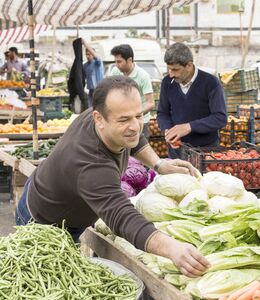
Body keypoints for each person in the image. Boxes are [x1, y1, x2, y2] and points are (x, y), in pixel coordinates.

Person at [15, 76, 210, 278]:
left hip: (57, 202)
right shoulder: (90, 163)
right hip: (44, 222)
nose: (135, 125)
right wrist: (172, 248)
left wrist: (159, 164)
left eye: (138, 115)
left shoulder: (108, 115)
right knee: (49, 282)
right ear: (99, 119)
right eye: (124, 119)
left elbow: (134, 138)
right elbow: (120, 215)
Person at [157, 42, 227, 159]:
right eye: (169, 69)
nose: (171, 74)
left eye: (175, 70)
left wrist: (189, 127)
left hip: (206, 152)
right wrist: (168, 130)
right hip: (177, 151)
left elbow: (220, 118)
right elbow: (162, 113)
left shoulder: (210, 83)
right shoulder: (167, 83)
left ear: (189, 66)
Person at [109, 44, 154, 139]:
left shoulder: (143, 76)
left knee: (139, 151)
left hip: (140, 123)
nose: (117, 65)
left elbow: (150, 103)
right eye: (115, 62)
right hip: (121, 121)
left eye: (119, 62)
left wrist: (134, 114)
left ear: (129, 60)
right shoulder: (115, 72)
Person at [82, 38, 104, 107]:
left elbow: (96, 56)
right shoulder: (85, 65)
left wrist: (85, 44)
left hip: (99, 89)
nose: (88, 56)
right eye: (87, 54)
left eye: (90, 54)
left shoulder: (97, 63)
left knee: (99, 107)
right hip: (91, 91)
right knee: (91, 108)